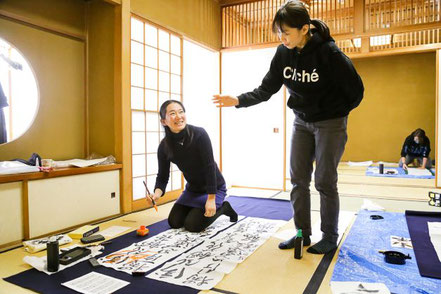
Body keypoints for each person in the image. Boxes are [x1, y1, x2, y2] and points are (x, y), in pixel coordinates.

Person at [213, 0, 364, 254]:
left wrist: (336, 114)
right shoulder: (283, 53)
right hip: (301, 121)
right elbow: (266, 89)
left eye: (286, 32)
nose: (282, 38)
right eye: (279, 33)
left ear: (304, 29)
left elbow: (356, 91)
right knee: (298, 180)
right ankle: (302, 233)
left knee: (325, 180)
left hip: (330, 122)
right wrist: (238, 100)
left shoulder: (330, 53)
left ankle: (329, 236)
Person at [147, 100, 238, 233]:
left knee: (193, 225)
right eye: (172, 113)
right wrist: (155, 195)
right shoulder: (164, 146)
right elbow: (162, 176)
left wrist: (211, 199)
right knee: (174, 222)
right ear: (163, 121)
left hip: (214, 187)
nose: (178, 117)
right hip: (193, 189)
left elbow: (209, 167)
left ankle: (224, 207)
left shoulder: (199, 134)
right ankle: (196, 207)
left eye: (181, 112)